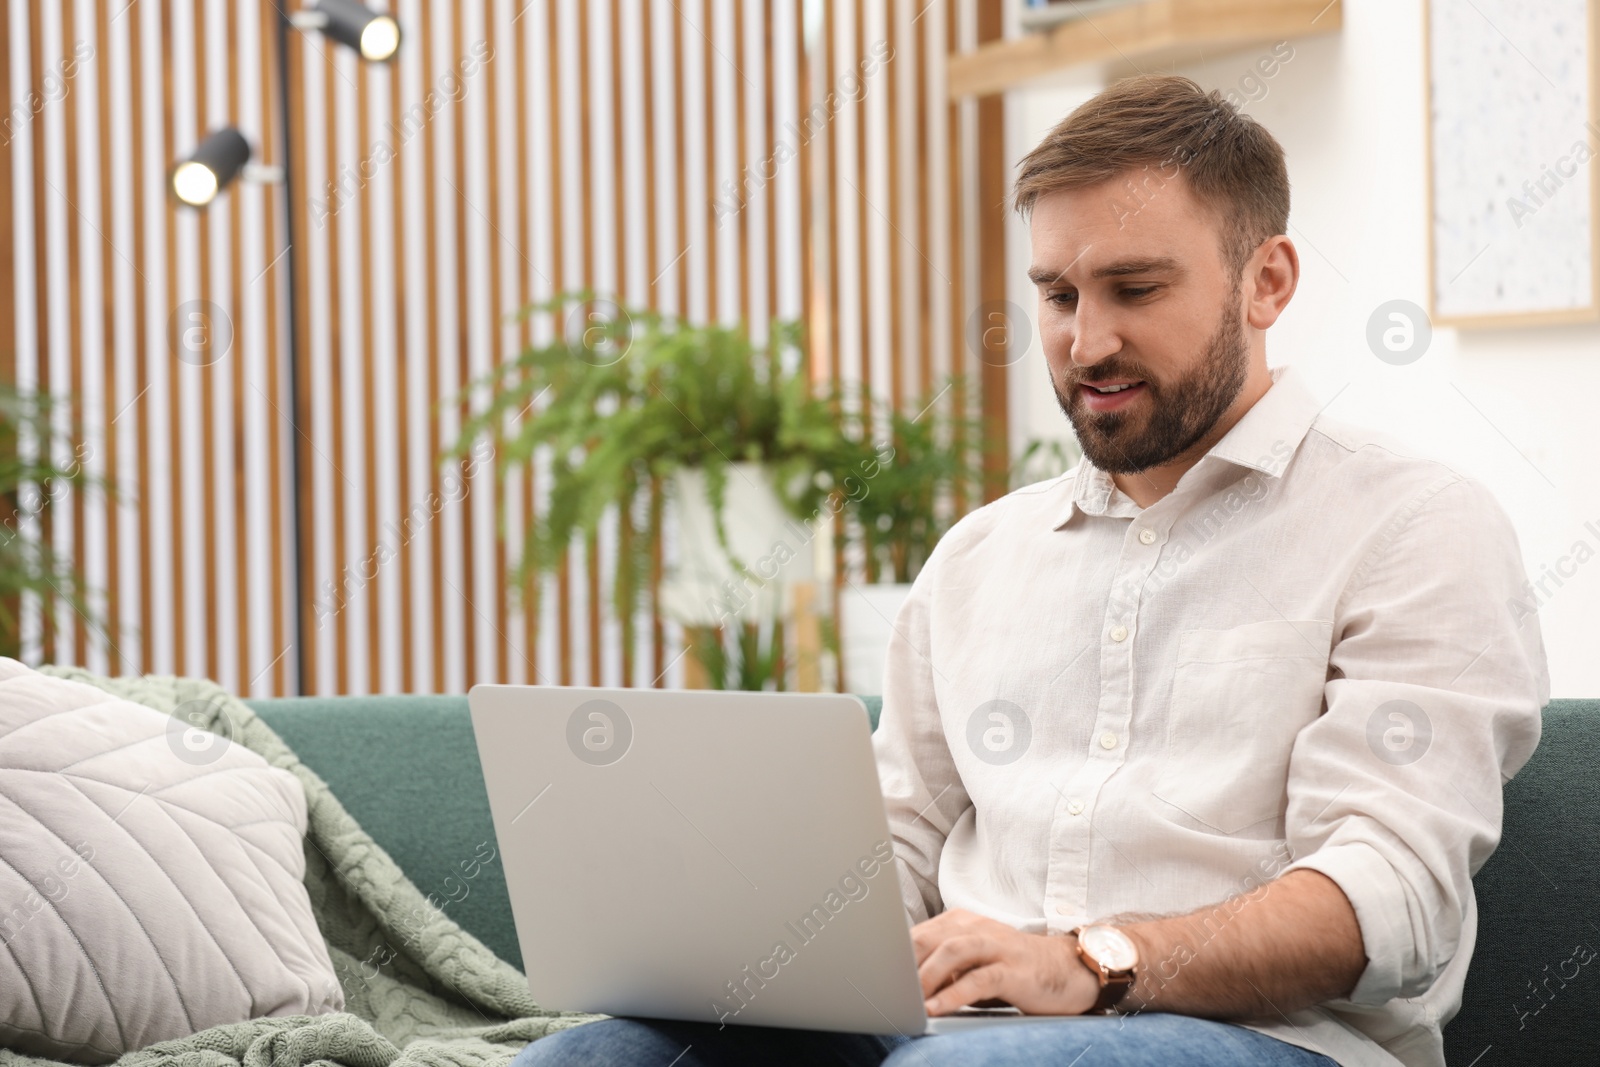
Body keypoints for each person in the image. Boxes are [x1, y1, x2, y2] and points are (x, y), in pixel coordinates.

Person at [513, 73, 1548, 1067]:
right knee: (595, 1053)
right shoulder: (979, 556)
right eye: (1055, 294)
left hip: (1270, 1039)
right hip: (954, 1026)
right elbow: (897, 845)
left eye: (1134, 288)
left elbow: (1391, 896)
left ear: (1266, 280)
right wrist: (742, 935)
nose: (1085, 341)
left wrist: (1092, 962)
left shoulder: (1412, 526)